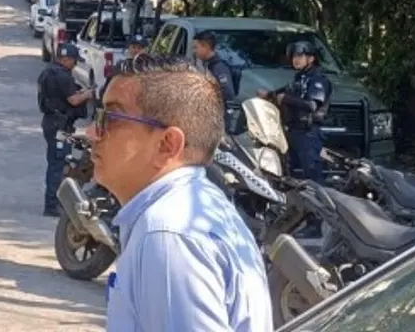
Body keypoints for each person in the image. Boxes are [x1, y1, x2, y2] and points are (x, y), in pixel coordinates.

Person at [88, 53, 272, 332]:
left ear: (167, 144)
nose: (92, 132)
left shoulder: (167, 233)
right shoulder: (194, 208)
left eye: (109, 118)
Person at [257, 40, 332, 184]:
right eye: (294, 57)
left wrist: (286, 99)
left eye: (300, 56)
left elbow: (312, 105)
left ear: (311, 59)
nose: (296, 60)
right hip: (292, 131)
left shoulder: (318, 80)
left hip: (308, 134)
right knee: (291, 174)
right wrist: (268, 95)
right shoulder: (299, 78)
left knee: (312, 175)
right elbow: (283, 91)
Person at [36, 42, 95, 217]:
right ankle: (52, 205)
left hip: (57, 124)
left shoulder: (49, 72)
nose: (75, 64)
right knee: (58, 163)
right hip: (58, 125)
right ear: (66, 59)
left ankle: (59, 200)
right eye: (74, 61)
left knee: (63, 162)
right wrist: (90, 93)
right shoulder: (61, 76)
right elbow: (73, 101)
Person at [193, 30, 236, 103]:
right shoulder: (206, 64)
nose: (194, 51)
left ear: (205, 47)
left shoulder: (219, 67)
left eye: (196, 47)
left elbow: (229, 94)